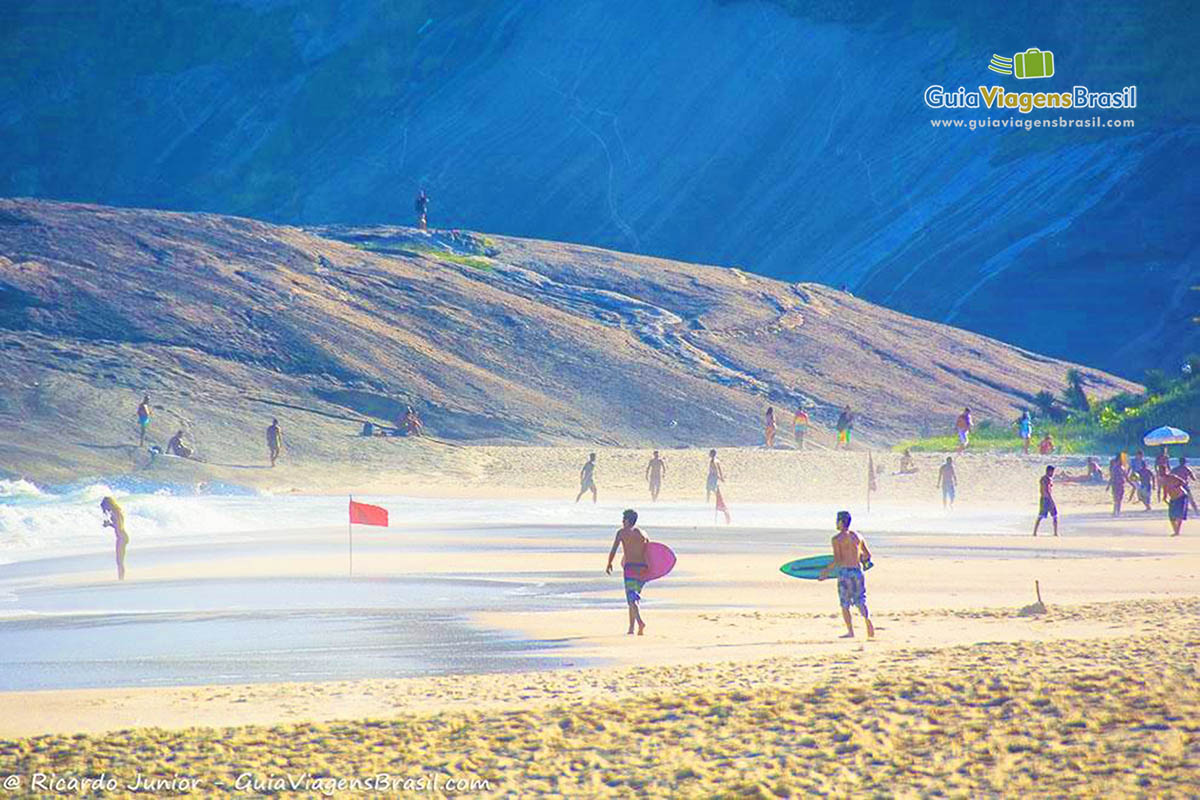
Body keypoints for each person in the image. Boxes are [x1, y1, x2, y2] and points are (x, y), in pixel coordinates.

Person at [817, 511, 875, 639]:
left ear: (841, 522)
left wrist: (825, 572)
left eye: (837, 520)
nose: (835, 523)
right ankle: (868, 623)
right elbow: (867, 556)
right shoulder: (858, 537)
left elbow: (838, 560)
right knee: (861, 600)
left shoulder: (837, 539)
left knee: (845, 603)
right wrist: (858, 558)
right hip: (858, 572)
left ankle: (850, 632)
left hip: (845, 573)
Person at [606, 509, 649, 635]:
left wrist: (609, 563)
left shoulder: (622, 533)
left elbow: (614, 549)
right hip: (642, 569)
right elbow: (650, 552)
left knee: (631, 599)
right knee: (634, 598)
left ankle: (640, 623)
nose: (622, 521)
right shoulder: (643, 534)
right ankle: (631, 628)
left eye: (623, 519)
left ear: (628, 520)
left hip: (630, 568)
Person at [100, 496, 129, 581]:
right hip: (121, 536)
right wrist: (110, 524)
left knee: (120, 561)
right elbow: (118, 526)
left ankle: (121, 579)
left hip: (121, 537)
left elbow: (119, 527)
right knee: (119, 561)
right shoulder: (116, 512)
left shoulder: (116, 512)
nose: (106, 510)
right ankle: (121, 578)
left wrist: (109, 524)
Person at [1161, 470, 1193, 536]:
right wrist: (1168, 502)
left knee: (1179, 515)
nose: (1162, 473)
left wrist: (1176, 486)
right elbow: (1165, 494)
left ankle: (1177, 532)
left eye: (1162, 471)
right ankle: (1176, 531)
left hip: (1181, 496)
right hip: (1173, 499)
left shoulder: (1172, 477)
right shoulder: (1163, 482)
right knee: (1171, 517)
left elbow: (1184, 482)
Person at [1033, 465, 1058, 537]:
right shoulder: (1046, 479)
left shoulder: (1045, 479)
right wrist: (1051, 500)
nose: (1053, 473)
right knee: (1044, 516)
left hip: (1044, 498)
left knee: (1053, 515)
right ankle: (1055, 533)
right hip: (1046, 499)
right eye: (1052, 471)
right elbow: (1046, 490)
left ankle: (1055, 533)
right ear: (1049, 471)